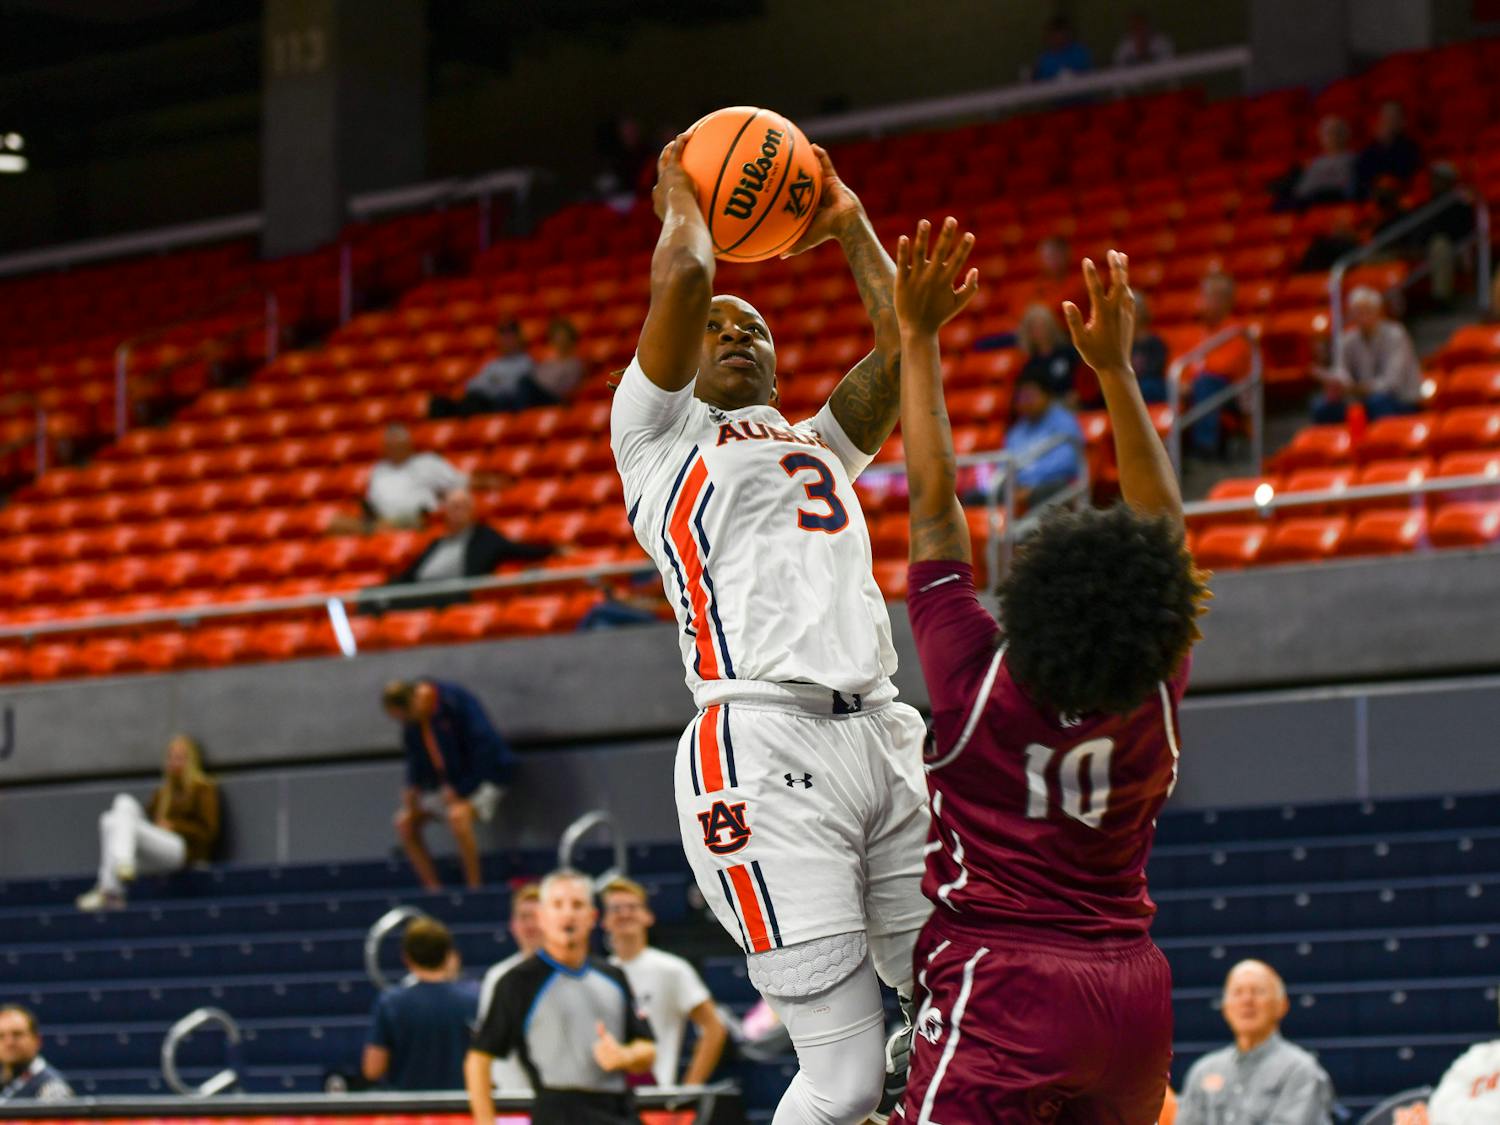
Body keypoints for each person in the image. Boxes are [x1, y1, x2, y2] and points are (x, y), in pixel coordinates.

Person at [611, 133, 933, 1125]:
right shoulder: (656, 435)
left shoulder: (816, 438)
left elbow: (906, 346)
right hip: (759, 739)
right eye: (716, 327)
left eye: (753, 323)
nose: (736, 329)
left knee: (953, 1007)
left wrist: (846, 222)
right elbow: (687, 269)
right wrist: (682, 187)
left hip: (880, 726)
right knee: (841, 1079)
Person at [893, 235, 1206, 1122]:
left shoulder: (975, 679)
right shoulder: (1154, 686)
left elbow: (933, 502)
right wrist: (1115, 372)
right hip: (1133, 994)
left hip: (1006, 981)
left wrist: (918, 339)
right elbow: (1165, 536)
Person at [466, 870, 655, 1125]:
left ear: (592, 917)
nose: (568, 913)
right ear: (542, 917)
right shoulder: (517, 982)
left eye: (577, 905)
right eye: (558, 905)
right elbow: (478, 1060)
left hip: (618, 1108)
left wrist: (624, 1056)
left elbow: (647, 1047)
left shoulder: (614, 976)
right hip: (557, 1112)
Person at [384, 678, 516, 891]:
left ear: (417, 699)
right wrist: (412, 787)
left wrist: (463, 789)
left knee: (458, 817)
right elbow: (415, 760)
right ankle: (435, 891)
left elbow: (486, 750)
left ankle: (475, 889)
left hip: (485, 780)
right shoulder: (412, 723)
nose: (406, 722)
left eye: (406, 716)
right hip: (448, 789)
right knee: (405, 822)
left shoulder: (455, 702)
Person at [600, 877, 727, 1088]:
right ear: (603, 920)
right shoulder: (598, 974)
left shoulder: (672, 969)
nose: (624, 913)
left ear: (648, 916)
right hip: (605, 1096)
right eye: (615, 908)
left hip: (656, 1096)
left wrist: (690, 1088)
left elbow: (714, 1028)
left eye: (632, 907)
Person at [1177, 960, 1335, 1125]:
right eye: (1237, 992)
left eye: (1258, 991)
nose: (1247, 1000)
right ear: (1225, 1007)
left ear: (1282, 1005)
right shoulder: (1203, 1071)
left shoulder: (1301, 1071)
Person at [76, 735, 219, 912]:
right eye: (171, 757)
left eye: (180, 758)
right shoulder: (163, 793)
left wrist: (175, 826)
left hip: (181, 851)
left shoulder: (203, 789)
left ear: (191, 760)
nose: (175, 763)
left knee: (115, 821)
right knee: (117, 811)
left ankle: (111, 886)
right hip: (156, 853)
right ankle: (117, 876)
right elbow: (143, 823)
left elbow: (209, 831)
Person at [364, 917, 478, 1091]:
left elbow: (372, 1069)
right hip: (461, 1107)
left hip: (409, 1111)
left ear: (406, 957)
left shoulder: (391, 1003)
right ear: (447, 954)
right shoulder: (474, 998)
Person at [388, 489, 554, 587]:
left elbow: (519, 550)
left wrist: (555, 549)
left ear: (472, 511)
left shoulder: (485, 538)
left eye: (462, 507)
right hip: (420, 590)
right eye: (453, 507)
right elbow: (410, 574)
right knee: (373, 595)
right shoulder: (437, 542)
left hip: (453, 592)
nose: (457, 512)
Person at [1311, 287, 1421, 423]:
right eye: (1357, 312)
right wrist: (1336, 382)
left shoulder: (1396, 335)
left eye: (1367, 311)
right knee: (1321, 407)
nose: (1362, 317)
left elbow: (1392, 383)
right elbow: (1341, 371)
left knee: (1378, 402)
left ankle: (1380, 442)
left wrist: (1360, 389)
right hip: (1361, 398)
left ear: (1378, 312)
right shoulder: (1346, 340)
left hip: (1400, 400)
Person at [478, 882, 544, 1092]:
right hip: (512, 1093)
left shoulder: (568, 974)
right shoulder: (498, 977)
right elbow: (486, 1043)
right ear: (512, 924)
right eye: (524, 917)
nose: (530, 925)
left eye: (536, 916)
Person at [1184, 270, 1252, 459]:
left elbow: (1226, 368)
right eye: (1204, 295)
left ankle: (1205, 448)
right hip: (1192, 391)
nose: (1204, 301)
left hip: (1233, 395)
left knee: (1206, 383)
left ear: (1227, 301)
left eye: (1212, 296)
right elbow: (1176, 364)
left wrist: (1190, 380)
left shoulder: (1237, 331)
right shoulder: (1192, 332)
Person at [1003, 371, 1085, 509]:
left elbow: (1067, 463)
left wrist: (1030, 483)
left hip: (1052, 484)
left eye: (1030, 396)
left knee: (1049, 491)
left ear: (1047, 396)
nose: (1025, 402)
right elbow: (1005, 466)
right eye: (1021, 397)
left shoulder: (1064, 422)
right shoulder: (1015, 432)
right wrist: (1017, 486)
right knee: (978, 496)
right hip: (1021, 487)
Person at [430, 320, 535, 418]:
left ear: (519, 338)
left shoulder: (525, 362)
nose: (506, 340)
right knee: (438, 404)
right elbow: (472, 384)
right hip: (476, 400)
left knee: (472, 404)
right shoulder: (493, 363)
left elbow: (511, 388)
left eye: (510, 336)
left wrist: (490, 384)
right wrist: (493, 382)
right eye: (503, 336)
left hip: (494, 405)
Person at [490, 318, 585, 411]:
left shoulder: (574, 364)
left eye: (563, 337)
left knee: (524, 382)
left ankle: (522, 416)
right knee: (503, 398)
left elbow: (568, 390)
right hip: (538, 395)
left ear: (571, 339)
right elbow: (536, 378)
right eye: (557, 337)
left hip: (554, 398)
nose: (560, 341)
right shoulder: (548, 361)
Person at [0, 1007, 72, 1103]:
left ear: (37, 1040)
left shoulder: (52, 1088)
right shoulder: (4, 1080)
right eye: (1, 1036)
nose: (9, 1042)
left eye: (17, 1034)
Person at [1283, 117, 1357, 208]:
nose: (1333, 137)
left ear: (1346, 134)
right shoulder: (1315, 163)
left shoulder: (1354, 160)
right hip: (1312, 204)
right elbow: (1302, 191)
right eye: (1327, 133)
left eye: (1336, 132)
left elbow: (1346, 188)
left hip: (1337, 203)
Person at [1356, 101, 1421, 196]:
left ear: (1403, 121)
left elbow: (1408, 176)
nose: (1388, 121)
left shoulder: (1411, 148)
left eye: (1393, 117)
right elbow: (1364, 180)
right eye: (1386, 117)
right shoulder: (1368, 151)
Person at [1018, 302, 1081, 401]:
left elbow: (1085, 382)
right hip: (1045, 410)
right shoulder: (1030, 366)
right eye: (1034, 327)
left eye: (1043, 325)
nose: (1039, 331)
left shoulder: (1070, 352)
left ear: (1052, 326)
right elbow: (1024, 397)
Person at [1131, 291, 1171, 404]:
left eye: (1134, 310)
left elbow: (1156, 371)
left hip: (1151, 387)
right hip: (1133, 385)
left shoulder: (1156, 343)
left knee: (1146, 387)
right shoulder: (1122, 345)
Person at [1032, 15, 1093, 81]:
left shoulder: (1079, 53)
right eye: (1052, 35)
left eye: (1059, 33)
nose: (1057, 38)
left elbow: (1091, 77)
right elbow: (1036, 82)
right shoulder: (1044, 60)